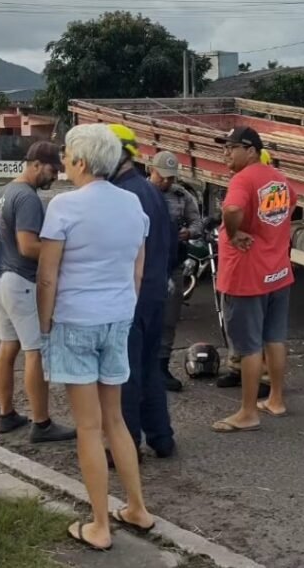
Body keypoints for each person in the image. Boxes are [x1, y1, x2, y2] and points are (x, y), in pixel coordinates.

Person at [37, 124, 155, 551]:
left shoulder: (64, 206)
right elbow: (137, 271)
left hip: (75, 320)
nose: (63, 161)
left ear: (82, 162)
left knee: (88, 427)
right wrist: (123, 307)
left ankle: (100, 524)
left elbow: (47, 275)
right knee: (115, 420)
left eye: (67, 155)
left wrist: (45, 325)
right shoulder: (133, 205)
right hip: (117, 317)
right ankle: (137, 508)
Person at [211, 127, 296, 434]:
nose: (225, 153)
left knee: (248, 346)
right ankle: (275, 399)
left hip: (247, 275)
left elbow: (232, 208)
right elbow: (291, 207)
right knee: (274, 337)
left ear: (249, 149)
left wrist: (233, 233)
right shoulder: (279, 178)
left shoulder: (243, 179)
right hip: (277, 270)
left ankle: (247, 412)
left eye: (230, 147)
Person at [0, 142, 76, 443]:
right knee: (35, 351)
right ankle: (41, 423)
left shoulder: (4, 193)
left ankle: (6, 414)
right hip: (23, 282)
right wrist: (62, 251)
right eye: (52, 170)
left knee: (7, 347)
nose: (54, 177)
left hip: (3, 280)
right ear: (37, 164)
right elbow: (28, 246)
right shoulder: (27, 197)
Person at [108, 124, 176, 459]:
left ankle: (126, 444)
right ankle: (161, 437)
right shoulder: (151, 192)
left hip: (129, 295)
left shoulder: (122, 197)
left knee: (125, 373)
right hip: (154, 294)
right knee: (149, 368)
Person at [148, 150, 202, 392]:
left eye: (171, 177)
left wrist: (188, 233)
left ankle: (161, 367)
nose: (167, 182)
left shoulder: (182, 196)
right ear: (152, 170)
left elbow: (197, 222)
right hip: (146, 266)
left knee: (169, 319)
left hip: (173, 264)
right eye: (163, 176)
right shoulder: (140, 193)